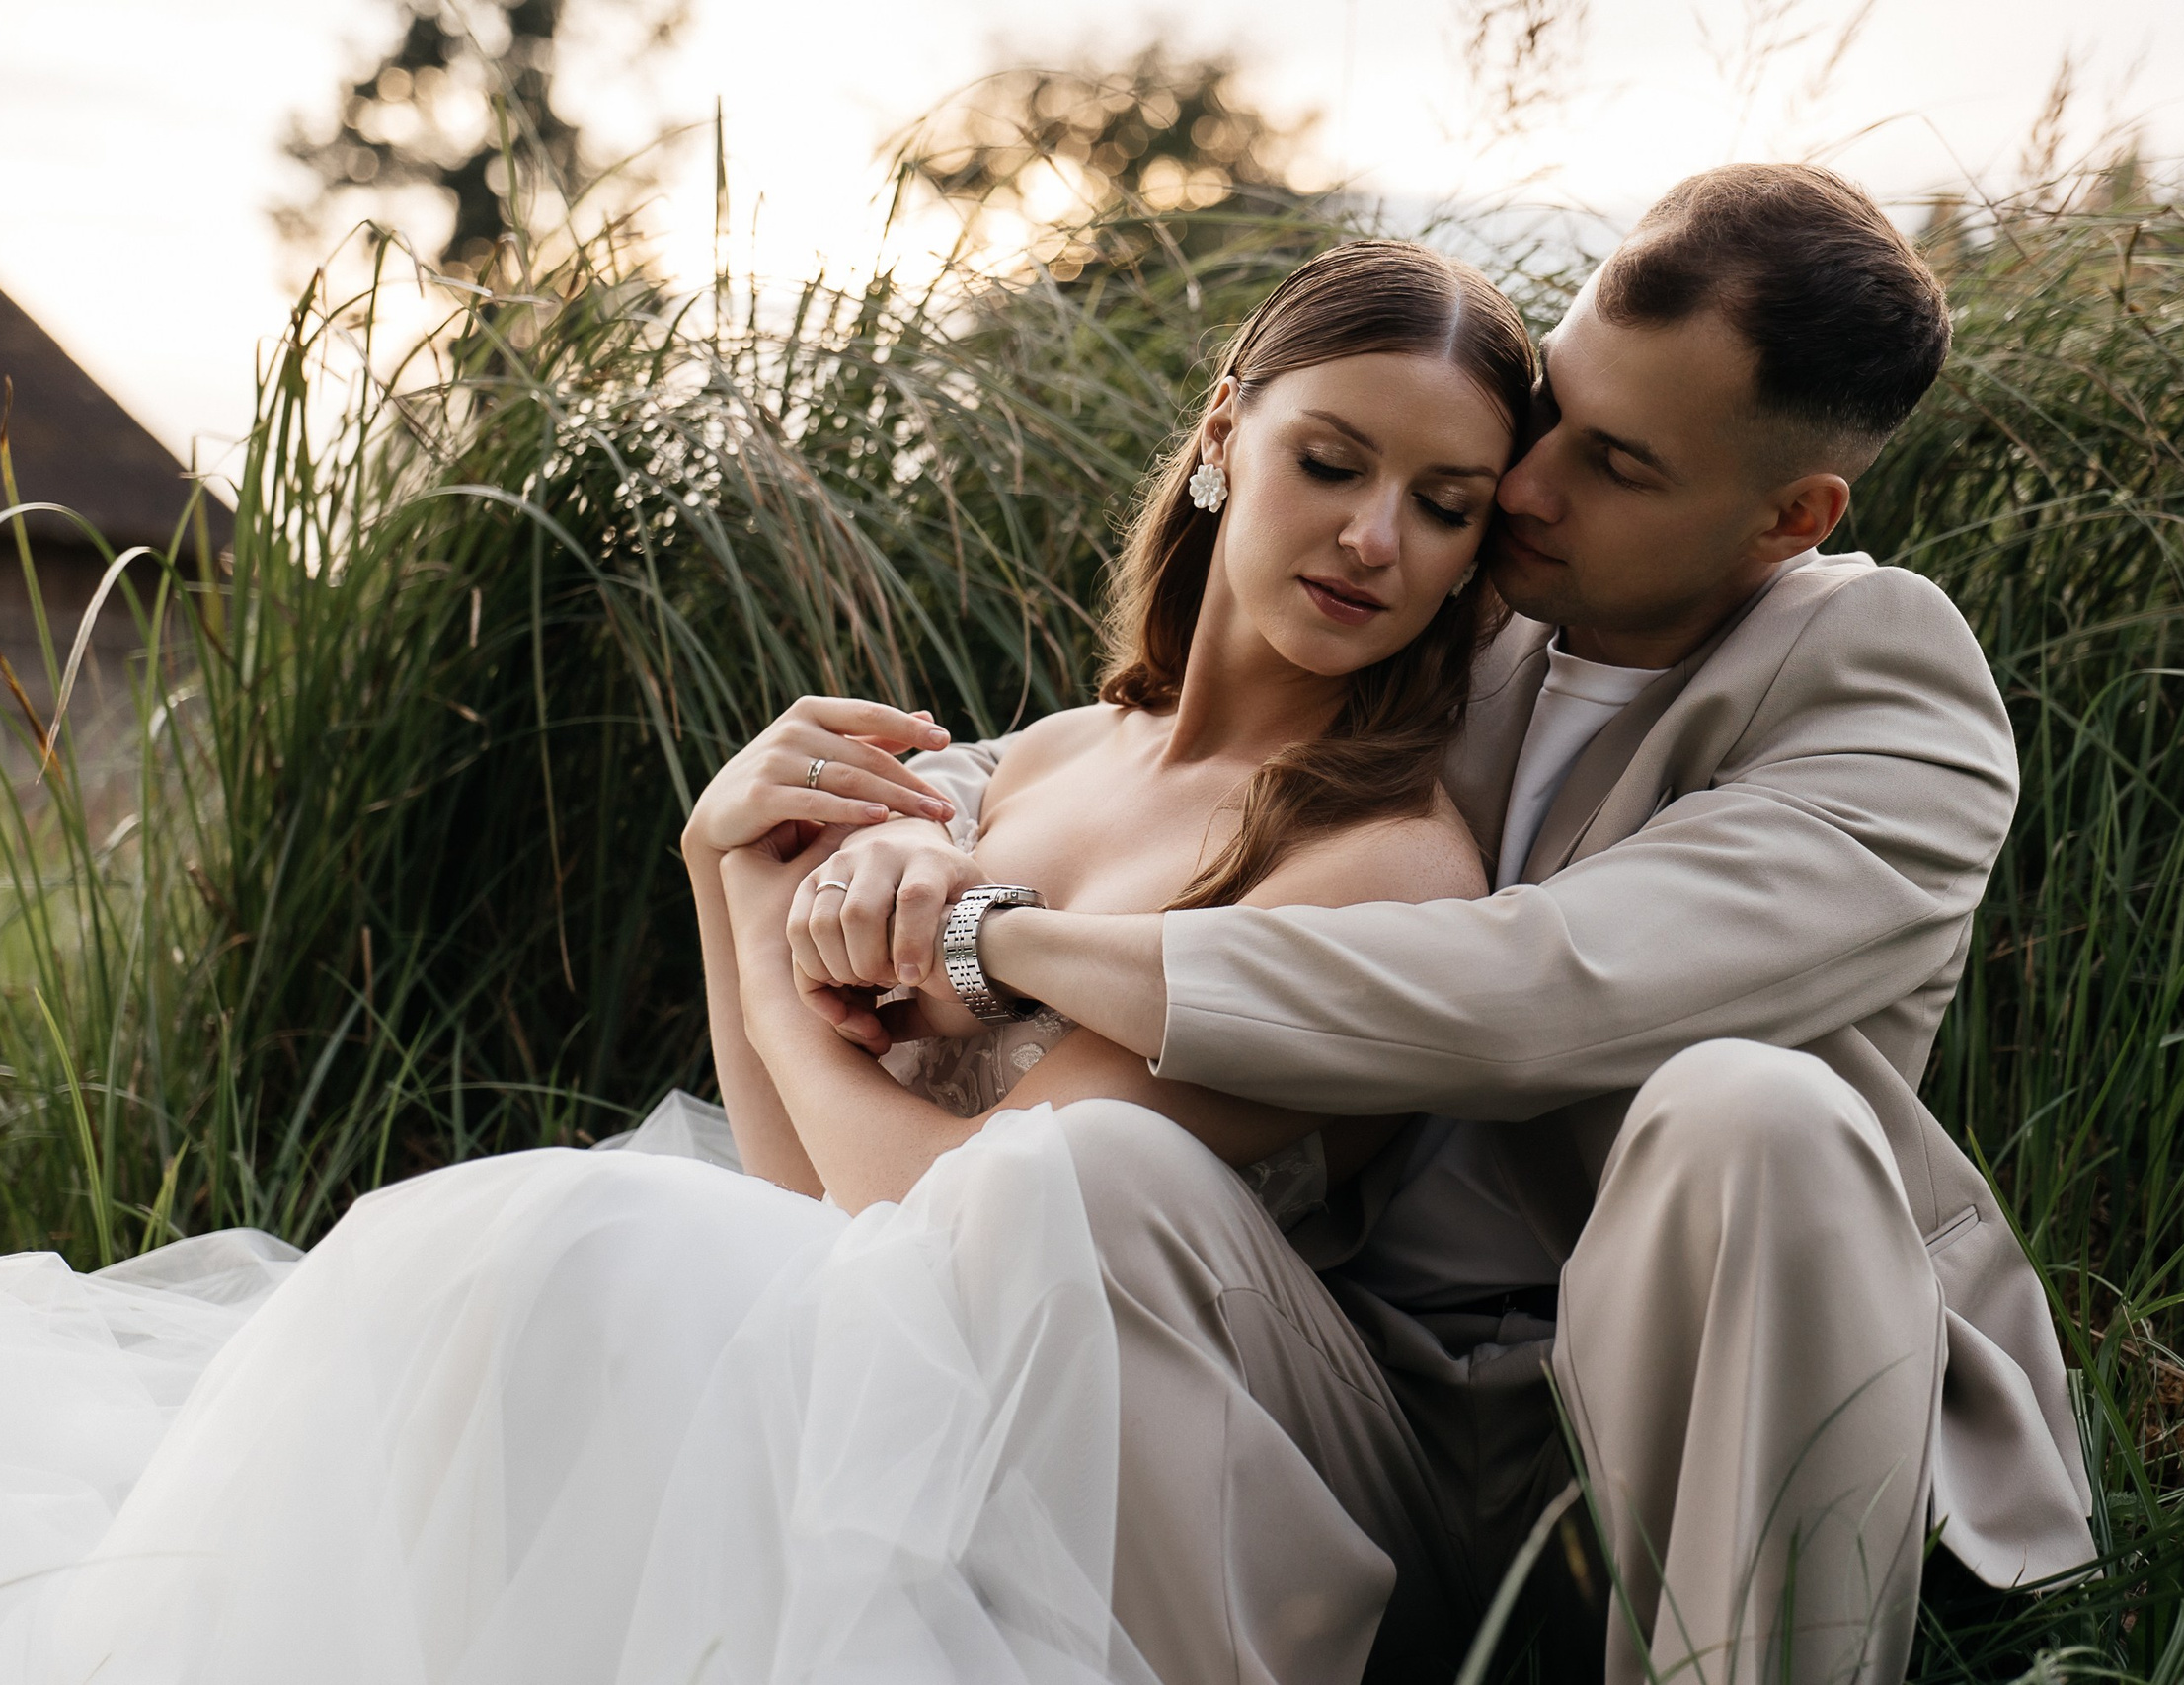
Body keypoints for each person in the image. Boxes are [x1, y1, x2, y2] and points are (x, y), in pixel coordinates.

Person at [0, 240, 1541, 1685]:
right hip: (922, 1342)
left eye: (1444, 504)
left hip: (1147, 1477)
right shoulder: (1048, 760)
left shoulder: (1377, 857)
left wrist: (772, 965)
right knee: (576, 1268)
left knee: (594, 1244)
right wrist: (722, 867)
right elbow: (802, 1198)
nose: (1374, 538)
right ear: (1219, 444)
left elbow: (969, 1217)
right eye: (1330, 463)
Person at [718, 164, 2099, 1685]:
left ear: (1789, 515)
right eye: (1549, 415)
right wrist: (878, 827)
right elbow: (1137, 753)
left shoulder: (1884, 688)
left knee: (1750, 1105)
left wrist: (998, 941)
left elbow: (1532, 989)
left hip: (1680, 1408)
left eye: (1619, 464)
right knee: (1097, 1175)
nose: (1523, 486)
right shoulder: (1454, 583)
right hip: (1350, 1384)